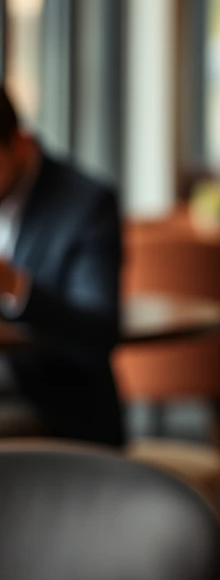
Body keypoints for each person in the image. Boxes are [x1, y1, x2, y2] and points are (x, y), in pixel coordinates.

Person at [0, 88, 123, 445]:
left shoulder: (86, 205)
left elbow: (99, 329)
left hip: (52, 406)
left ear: (21, 144)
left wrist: (13, 285)